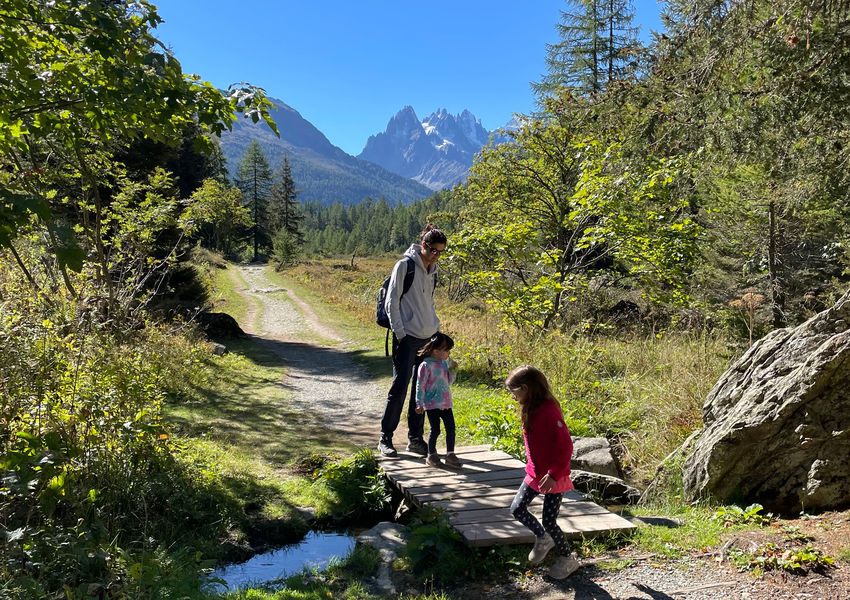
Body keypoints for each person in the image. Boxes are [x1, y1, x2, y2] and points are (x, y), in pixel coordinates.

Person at [377, 224, 447, 457]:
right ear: (423, 245)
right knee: (400, 388)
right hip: (407, 338)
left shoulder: (433, 270)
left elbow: (428, 303)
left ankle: (415, 439)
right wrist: (400, 334)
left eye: (441, 252)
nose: (436, 256)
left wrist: (435, 330)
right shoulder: (404, 266)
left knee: (422, 390)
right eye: (434, 250)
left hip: (428, 338)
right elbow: (392, 302)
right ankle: (385, 438)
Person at [506, 364, 580, 580]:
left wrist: (555, 473)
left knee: (549, 521)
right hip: (535, 473)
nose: (512, 396)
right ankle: (543, 538)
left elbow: (565, 446)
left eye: (513, 391)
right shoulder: (531, 406)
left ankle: (567, 558)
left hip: (554, 476)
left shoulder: (549, 411)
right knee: (517, 508)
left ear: (526, 388)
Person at [414, 332, 461, 468]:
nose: (449, 353)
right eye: (447, 350)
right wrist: (419, 403)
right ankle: (431, 455)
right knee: (435, 430)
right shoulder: (425, 365)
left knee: (451, 428)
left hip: (446, 403)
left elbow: (448, 381)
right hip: (432, 404)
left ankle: (450, 454)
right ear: (436, 350)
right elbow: (420, 385)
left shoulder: (444, 364)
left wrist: (453, 371)